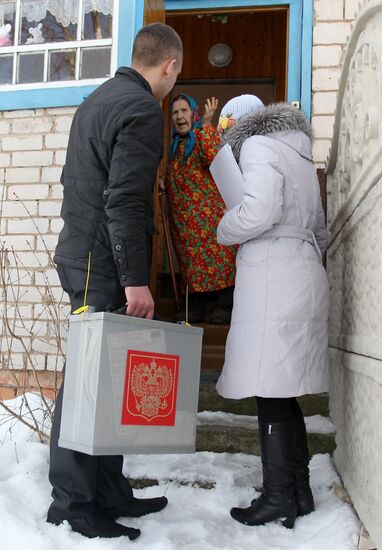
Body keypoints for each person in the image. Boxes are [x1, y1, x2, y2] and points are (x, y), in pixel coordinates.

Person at [48, 23, 183, 540]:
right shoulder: (141, 107)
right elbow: (124, 198)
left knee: (105, 382)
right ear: (169, 65)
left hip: (85, 255)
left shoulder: (96, 100)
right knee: (87, 385)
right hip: (101, 266)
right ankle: (74, 505)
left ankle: (108, 492)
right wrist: (135, 282)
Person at [215, 95, 329, 529]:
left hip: (272, 277)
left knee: (270, 390)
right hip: (301, 269)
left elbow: (259, 211)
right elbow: (319, 227)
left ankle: (279, 496)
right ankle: (298, 491)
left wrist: (225, 227)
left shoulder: (259, 148)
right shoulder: (299, 152)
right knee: (284, 392)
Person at [166, 93, 237, 324]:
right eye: (175, 112)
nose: (179, 116)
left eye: (183, 111)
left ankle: (223, 305)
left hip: (209, 218)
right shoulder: (174, 146)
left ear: (193, 113)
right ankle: (193, 306)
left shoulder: (200, 137)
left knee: (220, 259)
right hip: (185, 223)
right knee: (190, 264)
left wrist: (207, 125)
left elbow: (215, 158)